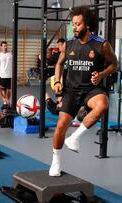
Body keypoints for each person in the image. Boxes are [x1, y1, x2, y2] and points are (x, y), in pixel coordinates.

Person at [49, 6, 117, 177]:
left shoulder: (102, 44)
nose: (75, 28)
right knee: (60, 126)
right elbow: (59, 63)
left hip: (92, 89)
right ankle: (55, 162)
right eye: (73, 24)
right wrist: (57, 81)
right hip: (71, 90)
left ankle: (75, 137)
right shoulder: (69, 44)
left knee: (103, 105)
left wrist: (101, 74)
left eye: (78, 24)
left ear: (87, 25)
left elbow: (114, 64)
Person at [0, 41, 12, 107]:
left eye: (6, 46)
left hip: (10, 75)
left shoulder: (11, 54)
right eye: (4, 46)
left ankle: (8, 100)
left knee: (9, 90)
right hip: (2, 75)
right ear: (1, 47)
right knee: (3, 90)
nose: (5, 47)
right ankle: (5, 102)